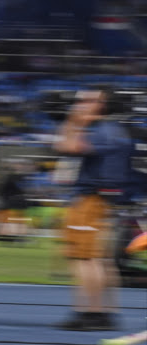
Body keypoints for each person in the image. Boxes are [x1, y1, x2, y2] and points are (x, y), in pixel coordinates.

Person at [53, 87, 134, 330]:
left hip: (90, 199)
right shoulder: (115, 130)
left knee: (85, 258)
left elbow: (66, 146)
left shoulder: (102, 131)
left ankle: (91, 313)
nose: (81, 104)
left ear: (102, 105)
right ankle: (106, 313)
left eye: (87, 101)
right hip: (103, 199)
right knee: (102, 259)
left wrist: (72, 120)